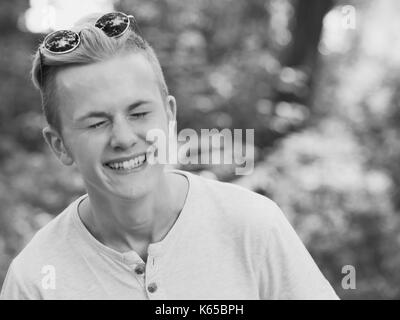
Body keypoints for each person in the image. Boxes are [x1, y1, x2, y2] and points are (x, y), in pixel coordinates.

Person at [0, 12, 338, 300]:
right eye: (97, 122)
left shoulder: (253, 227)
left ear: (170, 115)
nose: (123, 138)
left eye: (138, 113)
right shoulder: (34, 281)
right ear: (60, 145)